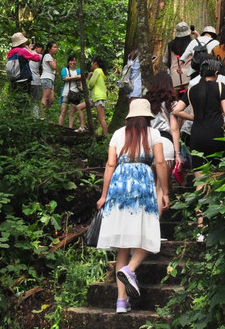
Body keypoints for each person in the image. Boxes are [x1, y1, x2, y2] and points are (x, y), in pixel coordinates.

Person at [96, 97, 169, 314]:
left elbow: (110, 164)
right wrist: (164, 191)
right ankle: (131, 269)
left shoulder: (119, 134)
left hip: (119, 185)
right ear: (147, 117)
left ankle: (121, 302)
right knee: (150, 233)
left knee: (123, 246)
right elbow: (160, 162)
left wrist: (103, 195)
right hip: (142, 184)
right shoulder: (153, 133)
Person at [171, 56, 225, 174]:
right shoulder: (219, 86)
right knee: (219, 176)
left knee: (200, 179)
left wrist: (193, 117)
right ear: (216, 73)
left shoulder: (191, 90)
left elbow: (176, 110)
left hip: (197, 135)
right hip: (217, 134)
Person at [145, 72, 178, 169]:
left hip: (148, 141)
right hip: (165, 141)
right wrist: (178, 153)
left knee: (152, 182)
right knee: (164, 183)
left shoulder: (146, 101)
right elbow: (174, 128)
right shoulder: (171, 102)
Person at [77, 56, 108, 135]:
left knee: (101, 118)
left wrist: (89, 77)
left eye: (92, 62)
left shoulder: (97, 71)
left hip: (98, 97)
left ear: (95, 63)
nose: (91, 64)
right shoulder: (99, 72)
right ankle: (82, 127)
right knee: (79, 107)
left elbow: (90, 84)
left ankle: (106, 137)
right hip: (94, 98)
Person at [161, 21, 193, 93]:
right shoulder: (192, 44)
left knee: (174, 102)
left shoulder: (170, 45)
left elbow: (165, 60)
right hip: (189, 77)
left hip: (174, 77)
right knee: (189, 100)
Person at [58, 53, 84, 130]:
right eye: (71, 61)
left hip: (75, 93)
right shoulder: (65, 70)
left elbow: (81, 77)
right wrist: (75, 77)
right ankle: (59, 127)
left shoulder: (78, 70)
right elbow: (64, 78)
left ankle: (70, 128)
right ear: (68, 62)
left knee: (72, 112)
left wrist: (70, 78)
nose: (72, 63)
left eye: (74, 61)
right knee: (63, 111)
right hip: (66, 93)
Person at [41, 41, 58, 109]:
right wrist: (54, 61)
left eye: (56, 47)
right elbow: (53, 66)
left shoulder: (49, 57)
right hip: (46, 78)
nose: (56, 49)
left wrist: (55, 73)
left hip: (50, 79)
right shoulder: (47, 55)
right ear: (49, 48)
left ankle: (45, 112)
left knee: (51, 99)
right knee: (45, 97)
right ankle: (42, 116)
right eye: (54, 47)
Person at [29, 42, 43, 117]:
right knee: (35, 100)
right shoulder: (36, 55)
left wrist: (29, 48)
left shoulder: (39, 56)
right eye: (41, 48)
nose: (41, 50)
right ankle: (35, 116)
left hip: (33, 80)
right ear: (37, 48)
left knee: (34, 99)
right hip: (33, 80)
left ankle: (35, 116)